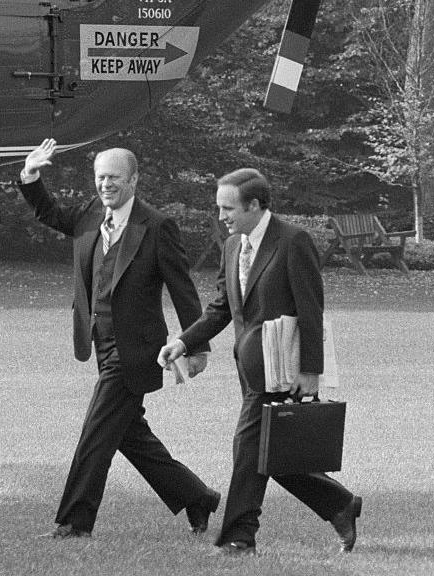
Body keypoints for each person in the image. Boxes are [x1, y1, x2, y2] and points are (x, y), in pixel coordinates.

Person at [18, 138, 221, 539]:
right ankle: (197, 497)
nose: (105, 185)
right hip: (100, 343)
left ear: (133, 180)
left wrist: (196, 344)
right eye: (100, 178)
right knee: (130, 435)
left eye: (113, 178)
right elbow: (50, 213)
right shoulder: (91, 214)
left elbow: (182, 289)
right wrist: (31, 175)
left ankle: (75, 523)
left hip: (138, 350)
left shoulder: (157, 226)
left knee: (96, 432)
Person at [157, 168, 362, 555]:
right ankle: (339, 504)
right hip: (250, 370)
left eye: (228, 208)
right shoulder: (233, 246)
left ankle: (239, 536)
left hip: (283, 370)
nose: (222, 216)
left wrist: (310, 371)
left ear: (254, 205)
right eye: (219, 207)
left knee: (248, 449)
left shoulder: (293, 241)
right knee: (272, 454)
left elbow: (311, 309)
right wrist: (183, 343)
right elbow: (221, 308)